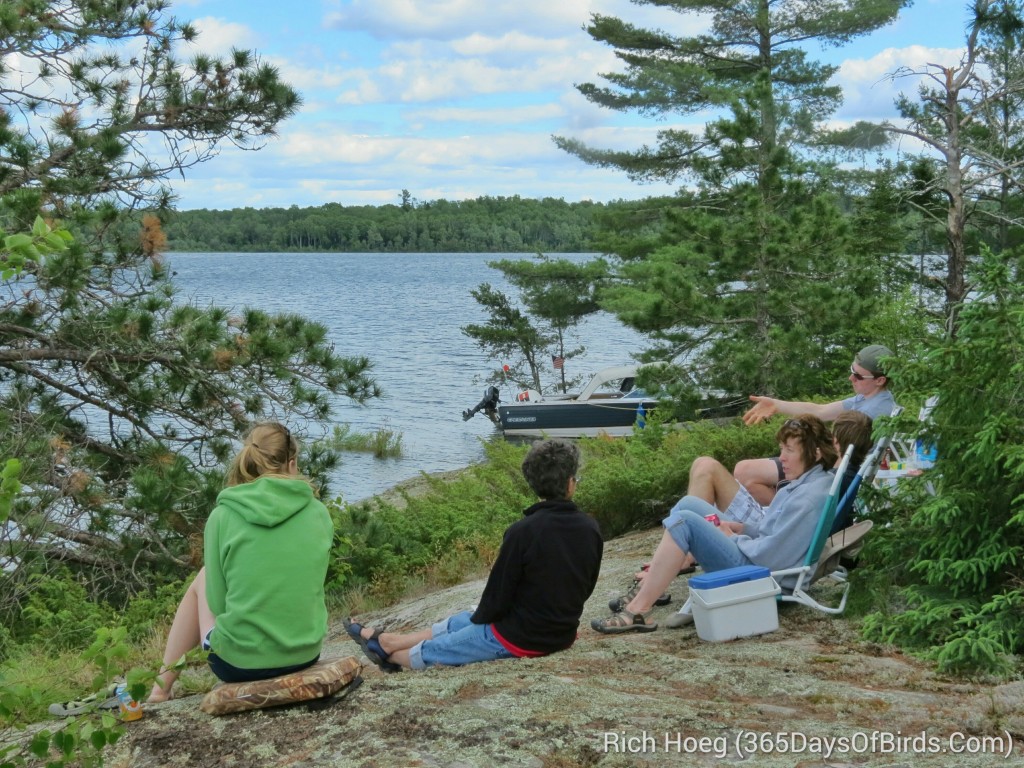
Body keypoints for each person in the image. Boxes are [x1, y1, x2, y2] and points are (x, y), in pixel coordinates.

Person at [344, 439, 603, 672]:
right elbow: (586, 588)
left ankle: (389, 655)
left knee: (451, 642)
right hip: (562, 633)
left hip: (523, 639)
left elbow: (498, 595)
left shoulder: (522, 532)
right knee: (462, 620)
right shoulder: (590, 528)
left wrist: (480, 622)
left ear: (534, 485)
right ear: (570, 484)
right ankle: (390, 641)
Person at [591, 415, 835, 634]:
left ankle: (638, 609)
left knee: (682, 522)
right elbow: (774, 533)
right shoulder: (807, 482)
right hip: (757, 560)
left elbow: (771, 558)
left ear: (815, 453)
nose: (781, 458)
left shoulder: (808, 499)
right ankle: (653, 581)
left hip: (760, 576)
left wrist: (732, 538)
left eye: (789, 450)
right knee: (690, 504)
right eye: (782, 449)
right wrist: (743, 529)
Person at [147, 422, 332, 703]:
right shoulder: (318, 513)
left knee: (204, 578)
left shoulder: (223, 515)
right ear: (292, 464)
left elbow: (219, 604)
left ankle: (160, 690)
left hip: (237, 665)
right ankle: (160, 689)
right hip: (305, 655)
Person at [734, 344, 895, 505]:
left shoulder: (873, 411)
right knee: (749, 480)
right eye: (851, 370)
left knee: (745, 471)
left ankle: (791, 514)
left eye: (858, 376)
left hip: (828, 469)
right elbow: (821, 410)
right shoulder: (869, 397)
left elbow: (840, 454)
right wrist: (776, 405)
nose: (850, 378)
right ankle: (787, 515)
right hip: (830, 464)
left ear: (880, 380)